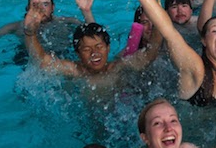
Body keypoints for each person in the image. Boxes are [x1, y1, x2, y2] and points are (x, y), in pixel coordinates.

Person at [24, 5, 163, 88]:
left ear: (108, 48)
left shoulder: (118, 68)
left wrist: (157, 17)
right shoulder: (74, 71)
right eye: (86, 49)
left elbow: (150, 55)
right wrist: (30, 33)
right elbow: (41, 61)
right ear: (78, 53)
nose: (94, 53)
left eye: (99, 47)